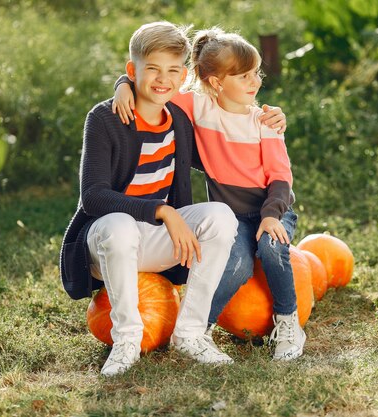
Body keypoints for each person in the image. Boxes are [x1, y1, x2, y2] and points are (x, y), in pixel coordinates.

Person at [60, 21, 246, 377]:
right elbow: (93, 197)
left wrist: (266, 121)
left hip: (156, 241)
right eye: (152, 70)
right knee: (120, 225)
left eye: (173, 71)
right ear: (132, 71)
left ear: (184, 76)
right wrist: (161, 210)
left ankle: (190, 333)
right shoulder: (104, 118)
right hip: (108, 242)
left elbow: (226, 137)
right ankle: (127, 339)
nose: (163, 79)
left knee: (221, 216)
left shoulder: (179, 120)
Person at [113, 27, 304, 360]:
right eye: (244, 76)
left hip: (272, 209)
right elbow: (158, 87)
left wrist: (272, 214)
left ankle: (288, 322)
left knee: (272, 248)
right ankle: (198, 329)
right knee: (237, 267)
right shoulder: (200, 108)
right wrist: (123, 86)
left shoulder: (265, 122)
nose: (255, 82)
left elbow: (280, 176)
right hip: (232, 218)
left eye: (255, 73)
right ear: (217, 83)